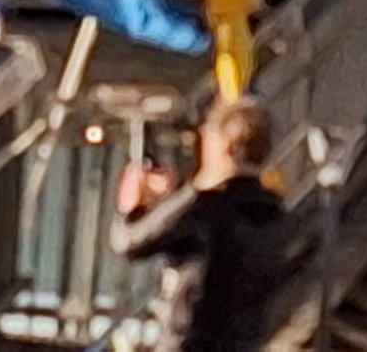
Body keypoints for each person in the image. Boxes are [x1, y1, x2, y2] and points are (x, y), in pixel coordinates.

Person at [111, 99, 291, 352]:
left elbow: (130, 243)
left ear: (225, 147)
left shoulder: (204, 209)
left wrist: (132, 206)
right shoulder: (275, 212)